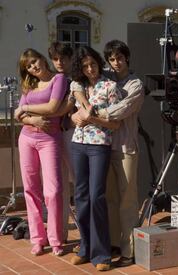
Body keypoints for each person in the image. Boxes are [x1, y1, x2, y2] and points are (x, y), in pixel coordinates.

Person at [68, 46, 120, 272]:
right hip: (78, 144)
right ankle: (85, 248)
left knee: (96, 195)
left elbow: (115, 123)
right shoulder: (79, 87)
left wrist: (92, 119)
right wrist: (75, 118)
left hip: (99, 145)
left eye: (93, 64)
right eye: (85, 66)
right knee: (80, 196)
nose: (90, 69)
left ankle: (102, 254)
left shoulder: (110, 86)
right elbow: (72, 116)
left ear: (99, 63)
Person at [15, 49, 67, 256]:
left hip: (49, 139)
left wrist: (26, 108)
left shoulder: (58, 79)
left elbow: (53, 107)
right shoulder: (28, 85)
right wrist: (32, 119)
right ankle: (38, 239)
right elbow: (19, 115)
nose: (33, 67)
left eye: (34, 61)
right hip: (27, 138)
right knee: (30, 189)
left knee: (52, 191)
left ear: (42, 59)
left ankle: (56, 240)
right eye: (28, 66)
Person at [102, 40, 144, 267]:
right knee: (110, 199)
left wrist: (95, 113)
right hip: (104, 146)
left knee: (128, 199)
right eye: (111, 59)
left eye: (119, 57)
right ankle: (114, 242)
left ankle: (130, 249)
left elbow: (122, 110)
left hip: (127, 146)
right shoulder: (105, 78)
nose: (116, 62)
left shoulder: (136, 84)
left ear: (127, 57)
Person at [47, 41, 75, 242]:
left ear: (70, 59)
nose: (59, 62)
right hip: (53, 136)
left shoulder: (76, 80)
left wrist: (47, 113)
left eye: (63, 58)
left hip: (73, 133)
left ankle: (87, 233)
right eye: (56, 59)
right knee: (59, 187)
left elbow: (64, 107)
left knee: (80, 183)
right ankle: (60, 233)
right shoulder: (51, 79)